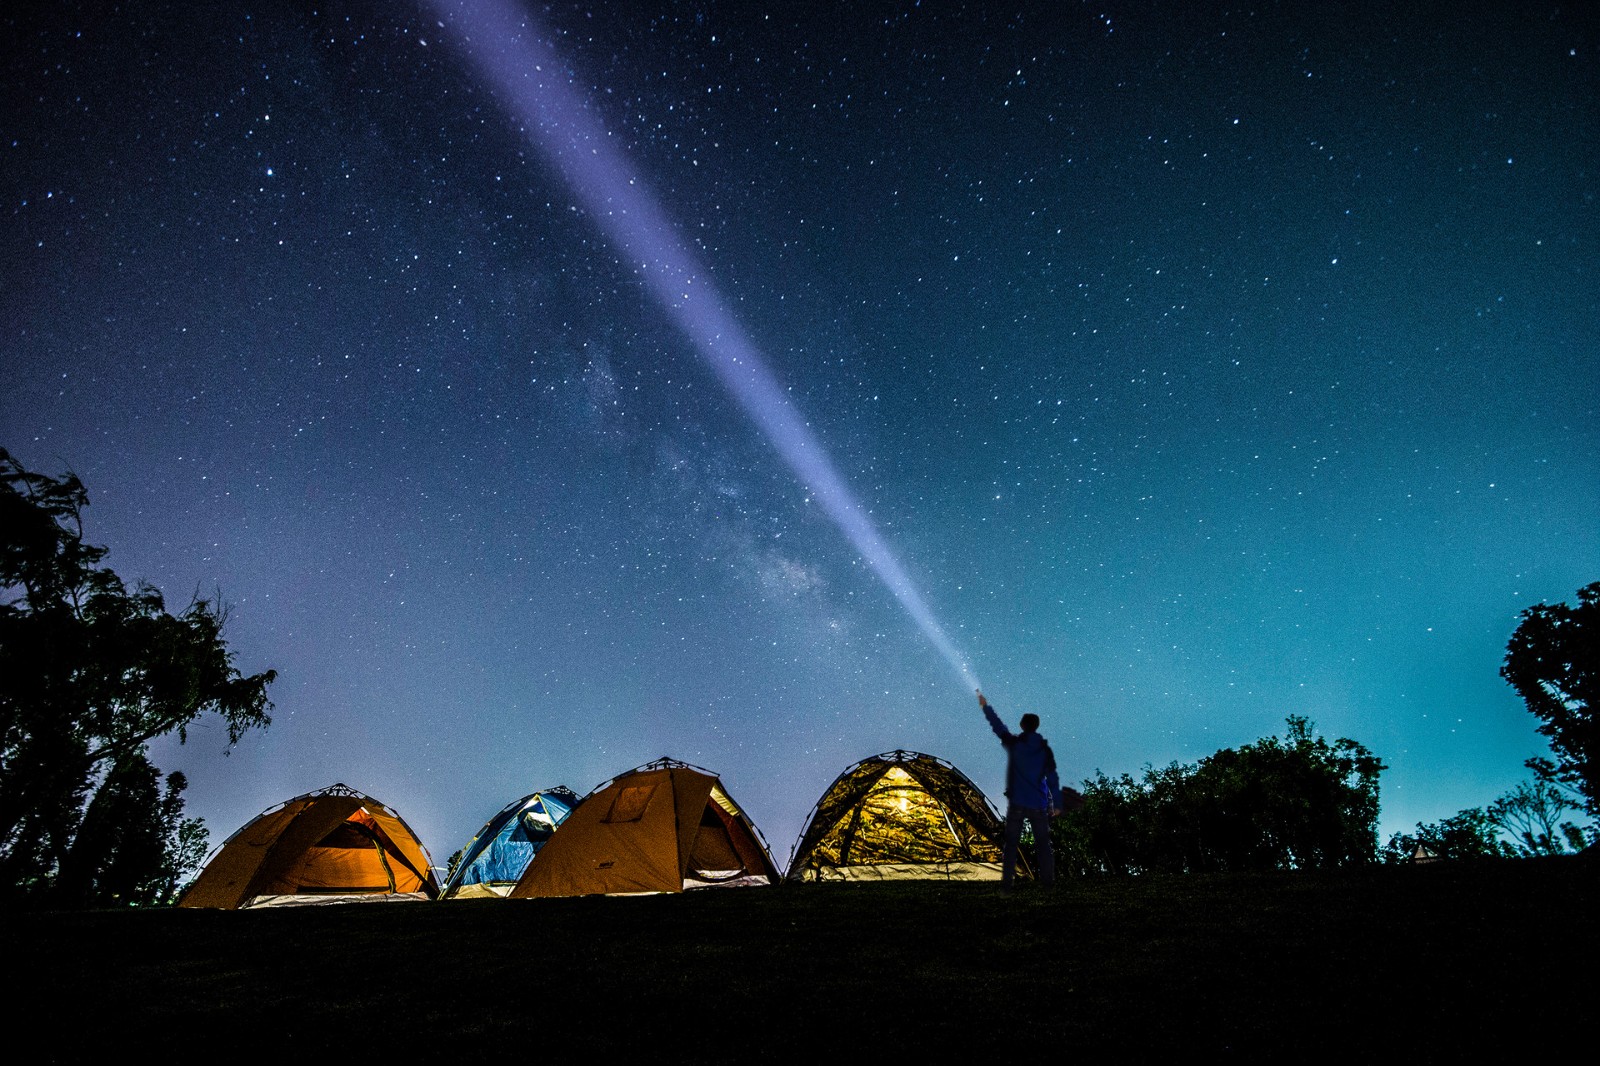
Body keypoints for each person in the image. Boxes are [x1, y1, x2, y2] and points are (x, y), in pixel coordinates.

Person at [978, 689, 1062, 888]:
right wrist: (1056, 803)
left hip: (1018, 802)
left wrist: (985, 707)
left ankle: (1008, 882)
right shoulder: (1043, 749)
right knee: (1043, 844)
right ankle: (1048, 882)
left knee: (1011, 844)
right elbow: (1052, 776)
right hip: (1039, 802)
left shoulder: (1015, 743)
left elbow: (998, 727)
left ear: (1022, 725)